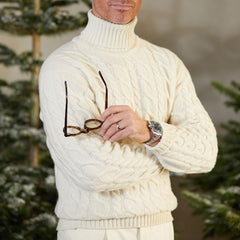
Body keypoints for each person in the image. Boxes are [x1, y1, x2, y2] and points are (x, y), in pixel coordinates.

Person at [39, 0, 218, 239]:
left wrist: (149, 132)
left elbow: (205, 154)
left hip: (159, 229)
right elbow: (92, 171)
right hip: (92, 232)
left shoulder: (167, 63)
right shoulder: (65, 67)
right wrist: (167, 157)